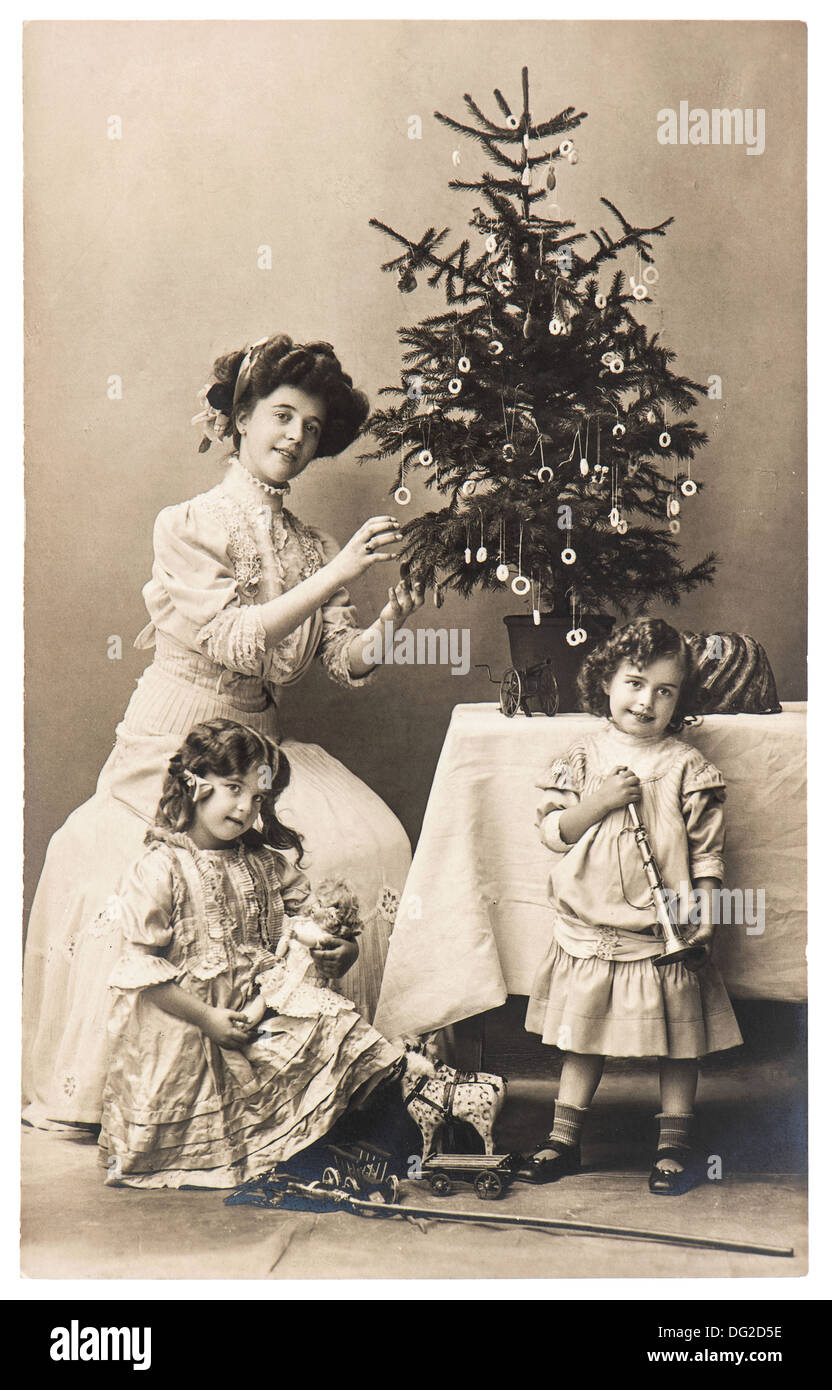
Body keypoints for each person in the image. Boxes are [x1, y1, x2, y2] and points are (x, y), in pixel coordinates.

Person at [23, 334, 423, 1128]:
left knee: (367, 846)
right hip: (173, 743)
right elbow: (240, 641)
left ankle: (313, 1080)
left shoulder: (308, 544)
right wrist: (339, 572)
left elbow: (341, 662)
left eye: (311, 429)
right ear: (239, 418)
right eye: (280, 416)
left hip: (259, 746)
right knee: (159, 878)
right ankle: (174, 1094)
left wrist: (394, 620)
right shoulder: (189, 524)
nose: (294, 438)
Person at [99, 720, 404, 1189]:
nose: (245, 808)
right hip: (189, 1021)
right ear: (194, 784)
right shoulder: (161, 868)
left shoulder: (266, 864)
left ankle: (340, 1136)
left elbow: (314, 925)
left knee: (331, 1019)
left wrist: (342, 950)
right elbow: (143, 973)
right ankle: (263, 1149)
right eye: (233, 788)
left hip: (259, 1010)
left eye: (258, 797)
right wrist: (207, 1018)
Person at [516, 618, 743, 1195]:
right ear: (607, 683)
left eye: (665, 691)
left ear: (680, 701)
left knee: (678, 1039)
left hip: (661, 934)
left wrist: (707, 918)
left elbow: (707, 856)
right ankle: (564, 1139)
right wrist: (600, 801)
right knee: (582, 1037)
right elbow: (553, 833)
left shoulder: (686, 766)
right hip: (591, 929)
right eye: (635, 683)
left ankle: (674, 1145)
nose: (647, 701)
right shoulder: (582, 757)